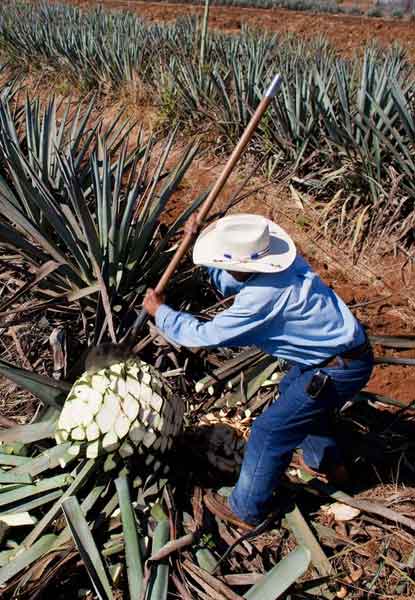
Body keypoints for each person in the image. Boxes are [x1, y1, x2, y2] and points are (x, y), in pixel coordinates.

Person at [143, 213, 374, 531]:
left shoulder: (264, 298)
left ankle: (247, 510)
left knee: (269, 433)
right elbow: (231, 278)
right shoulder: (281, 265)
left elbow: (206, 336)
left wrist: (162, 314)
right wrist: (198, 244)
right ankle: (326, 463)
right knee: (294, 396)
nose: (223, 269)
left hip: (336, 368)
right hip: (337, 356)